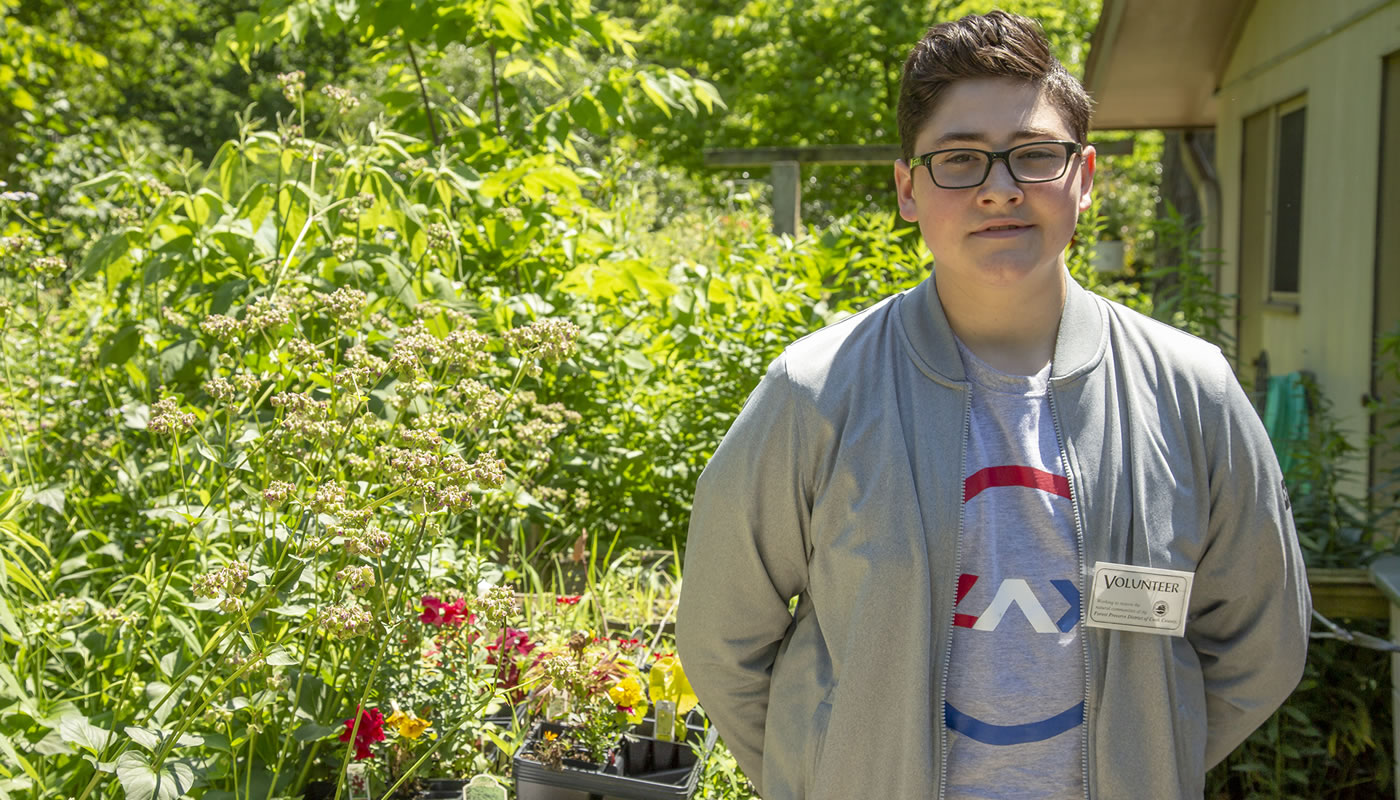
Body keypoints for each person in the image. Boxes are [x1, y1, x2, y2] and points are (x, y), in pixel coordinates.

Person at [675, 10, 1310, 800]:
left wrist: (1149, 756)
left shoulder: (1192, 391)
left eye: (1035, 156)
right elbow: (720, 634)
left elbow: (1261, 641)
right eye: (961, 160)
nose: (1000, 189)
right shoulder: (816, 393)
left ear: (1084, 177)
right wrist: (825, 773)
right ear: (909, 188)